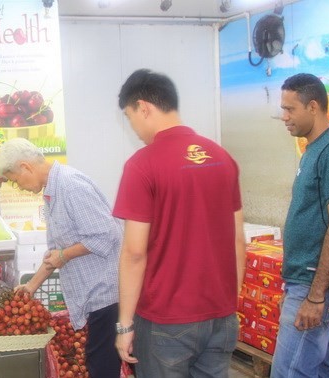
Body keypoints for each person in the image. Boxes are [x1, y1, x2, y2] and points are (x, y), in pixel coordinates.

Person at [113, 68, 246, 377]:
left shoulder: (142, 165)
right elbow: (238, 240)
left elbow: (134, 253)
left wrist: (125, 324)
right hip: (221, 317)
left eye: (130, 117)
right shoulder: (223, 158)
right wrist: (229, 304)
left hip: (166, 323)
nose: (133, 128)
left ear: (143, 107)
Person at [0, 138, 123, 377]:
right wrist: (31, 286)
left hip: (106, 296)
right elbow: (55, 252)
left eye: (14, 180)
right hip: (93, 296)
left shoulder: (71, 186)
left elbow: (106, 234)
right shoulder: (52, 191)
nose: (18, 186)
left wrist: (65, 255)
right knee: (98, 363)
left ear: (26, 167)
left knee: (102, 367)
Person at [271, 73, 329, 377]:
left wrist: (315, 295)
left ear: (313, 106)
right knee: (324, 368)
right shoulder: (314, 148)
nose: (283, 117)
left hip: (316, 285)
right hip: (305, 281)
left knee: (289, 371)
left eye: (290, 109)